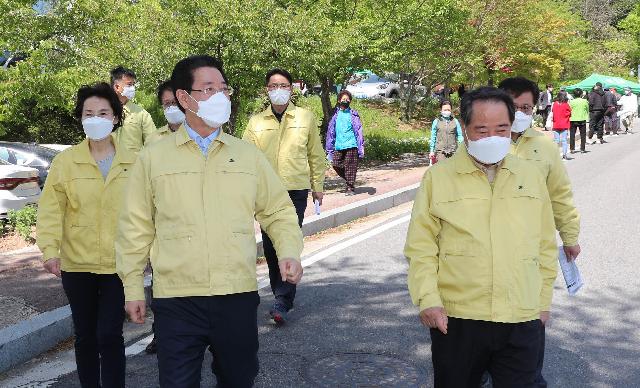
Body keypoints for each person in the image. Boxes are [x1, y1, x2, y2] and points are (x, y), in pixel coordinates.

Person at [116, 55, 304, 388]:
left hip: (236, 293)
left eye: (223, 88)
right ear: (184, 98)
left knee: (238, 379)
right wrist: (132, 287)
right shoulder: (154, 158)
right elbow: (135, 227)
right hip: (177, 298)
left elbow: (278, 210)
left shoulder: (247, 155)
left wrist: (289, 251)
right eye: (208, 88)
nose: (220, 96)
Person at [405, 86, 558, 387]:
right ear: (465, 129)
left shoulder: (531, 176)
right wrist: (428, 299)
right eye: (481, 129)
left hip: (521, 314)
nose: (492, 137)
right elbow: (421, 246)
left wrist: (542, 304)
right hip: (458, 318)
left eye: (501, 129)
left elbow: (544, 244)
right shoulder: (438, 177)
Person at [36, 82, 137, 388]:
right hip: (77, 263)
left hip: (118, 263)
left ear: (116, 117)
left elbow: (147, 211)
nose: (96, 118)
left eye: (103, 112)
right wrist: (50, 249)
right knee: (86, 334)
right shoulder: (65, 162)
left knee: (109, 333)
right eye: (89, 113)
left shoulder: (135, 159)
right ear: (80, 118)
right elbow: (52, 209)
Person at [498, 77, 582, 388]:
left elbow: (561, 195)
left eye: (526, 107)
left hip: (531, 257)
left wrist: (569, 236)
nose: (519, 112)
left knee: (528, 351)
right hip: (487, 253)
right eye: (513, 105)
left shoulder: (545, 147)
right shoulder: (482, 142)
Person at [242, 68, 326, 323]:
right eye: (273, 85)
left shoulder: (305, 117)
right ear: (267, 90)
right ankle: (279, 289)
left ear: (292, 89)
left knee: (288, 240)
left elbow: (315, 154)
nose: (278, 89)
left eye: (283, 85)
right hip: (266, 192)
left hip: (295, 189)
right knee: (269, 245)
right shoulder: (256, 122)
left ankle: (283, 299)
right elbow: (245, 157)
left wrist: (317, 185)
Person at [325, 90, 364, 195]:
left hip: (352, 144)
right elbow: (331, 132)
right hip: (339, 145)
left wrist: (361, 146)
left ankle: (350, 187)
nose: (345, 101)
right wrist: (329, 148)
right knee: (336, 164)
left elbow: (359, 131)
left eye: (347, 99)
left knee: (350, 166)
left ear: (350, 101)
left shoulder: (354, 115)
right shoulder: (335, 116)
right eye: (343, 99)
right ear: (339, 100)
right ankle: (349, 179)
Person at [110, 66, 157, 151]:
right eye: (129, 84)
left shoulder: (142, 114)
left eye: (133, 84)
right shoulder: (101, 112)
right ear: (117, 87)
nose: (132, 88)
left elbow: (154, 144)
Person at [146, 80, 185, 145]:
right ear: (162, 106)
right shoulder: (153, 140)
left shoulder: (202, 135)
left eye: (175, 102)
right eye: (167, 103)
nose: (172, 106)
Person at [551, 91, 572, 160]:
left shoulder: (554, 104)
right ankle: (564, 155)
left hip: (556, 124)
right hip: (564, 124)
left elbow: (553, 112)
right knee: (564, 140)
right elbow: (569, 112)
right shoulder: (565, 104)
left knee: (556, 140)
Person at [569, 88, 589, 153]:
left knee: (572, 134)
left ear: (574, 95)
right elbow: (587, 109)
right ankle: (582, 148)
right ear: (581, 94)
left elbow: (569, 110)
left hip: (573, 119)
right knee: (583, 135)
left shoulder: (571, 102)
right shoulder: (585, 101)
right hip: (582, 118)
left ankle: (572, 149)